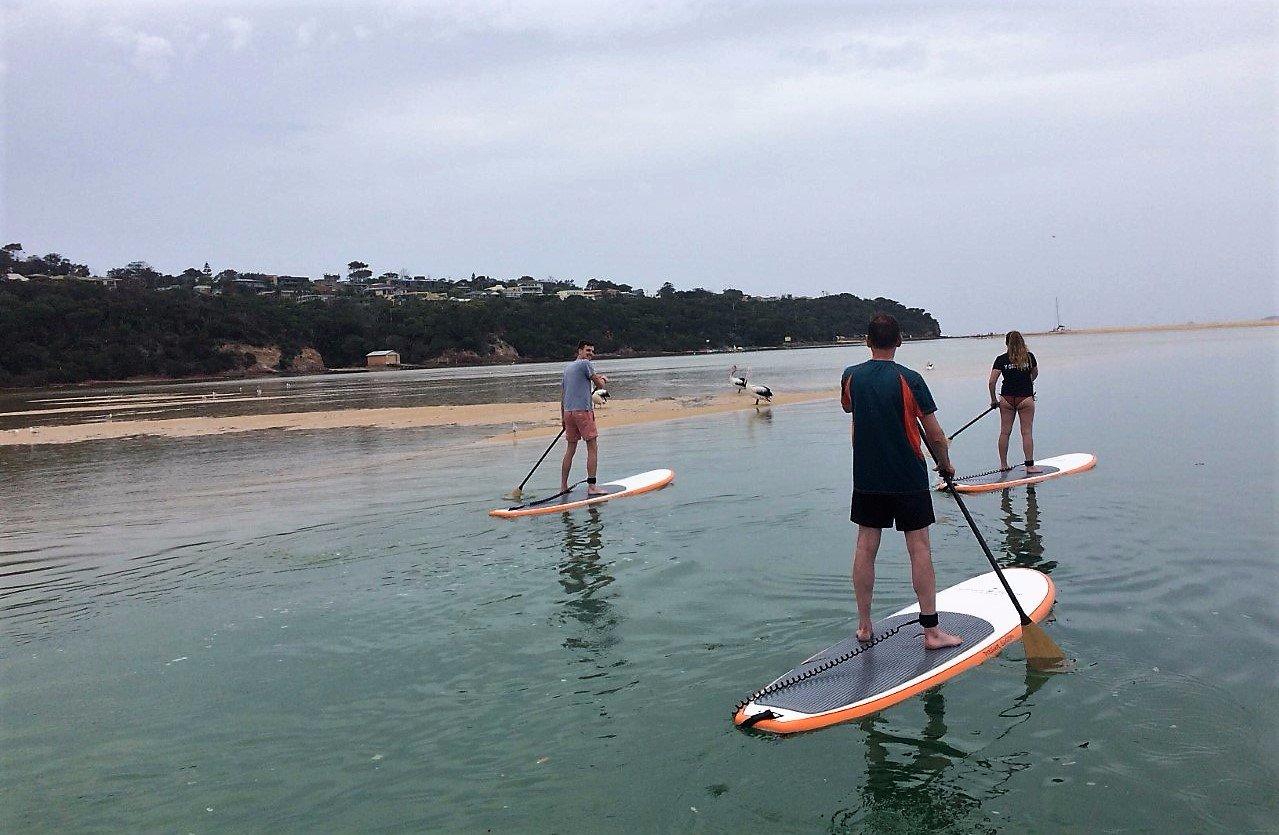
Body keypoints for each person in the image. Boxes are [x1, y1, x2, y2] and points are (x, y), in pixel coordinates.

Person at [840, 313, 962, 650]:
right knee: (919, 548)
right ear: (899, 341)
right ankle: (932, 632)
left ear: (867, 341)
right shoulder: (910, 378)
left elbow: (851, 410)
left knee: (866, 547)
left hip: (867, 477)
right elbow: (935, 435)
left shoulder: (850, 377)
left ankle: (864, 626)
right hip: (908, 476)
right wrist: (946, 465)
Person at [988, 330, 1040, 473]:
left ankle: (1003, 465)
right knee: (1026, 432)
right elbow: (1035, 373)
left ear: (1006, 343)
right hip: (1026, 398)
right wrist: (1027, 382)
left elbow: (992, 382)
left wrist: (993, 400)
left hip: (1007, 399)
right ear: (1022, 342)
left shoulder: (1001, 359)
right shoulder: (1029, 358)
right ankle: (1030, 465)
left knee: (1005, 432)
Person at [561, 340, 609, 495]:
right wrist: (603, 380)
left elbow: (563, 395)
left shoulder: (567, 368)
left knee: (570, 449)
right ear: (579, 351)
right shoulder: (585, 364)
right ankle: (592, 486)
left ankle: (563, 486)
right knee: (592, 447)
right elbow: (600, 386)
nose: (590, 354)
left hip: (568, 412)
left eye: (592, 351)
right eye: (588, 350)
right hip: (582, 411)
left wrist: (562, 417)